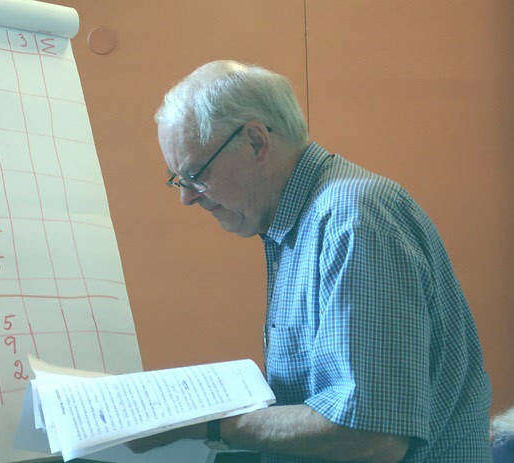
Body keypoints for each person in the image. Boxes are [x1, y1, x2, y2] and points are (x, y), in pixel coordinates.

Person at [136, 60, 492, 462]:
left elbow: (374, 435)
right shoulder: (300, 221)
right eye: (178, 180)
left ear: (255, 142)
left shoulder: (352, 221)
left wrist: (214, 425)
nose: (187, 198)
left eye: (194, 174)